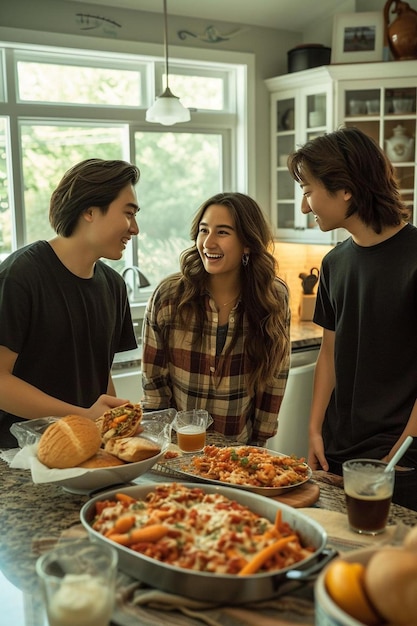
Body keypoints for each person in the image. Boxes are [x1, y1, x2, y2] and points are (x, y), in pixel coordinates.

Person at [287, 126, 417, 510]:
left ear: (345, 188)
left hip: (401, 454)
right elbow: (329, 352)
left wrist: (404, 449)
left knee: (392, 563)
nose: (305, 206)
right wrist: (313, 430)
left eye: (308, 191)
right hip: (337, 447)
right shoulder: (333, 263)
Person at [0, 158, 141, 447]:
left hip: (86, 451)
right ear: (89, 210)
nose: (134, 228)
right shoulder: (21, 274)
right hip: (18, 458)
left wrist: (113, 424)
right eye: (128, 213)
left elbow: (100, 375)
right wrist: (84, 416)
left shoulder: (114, 286)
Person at [141, 192, 290, 446]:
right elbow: (153, 383)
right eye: (203, 230)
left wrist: (258, 447)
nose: (208, 243)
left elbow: (274, 377)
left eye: (222, 232)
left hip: (238, 455)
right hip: (178, 452)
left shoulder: (273, 296)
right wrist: (159, 446)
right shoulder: (168, 297)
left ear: (247, 243)